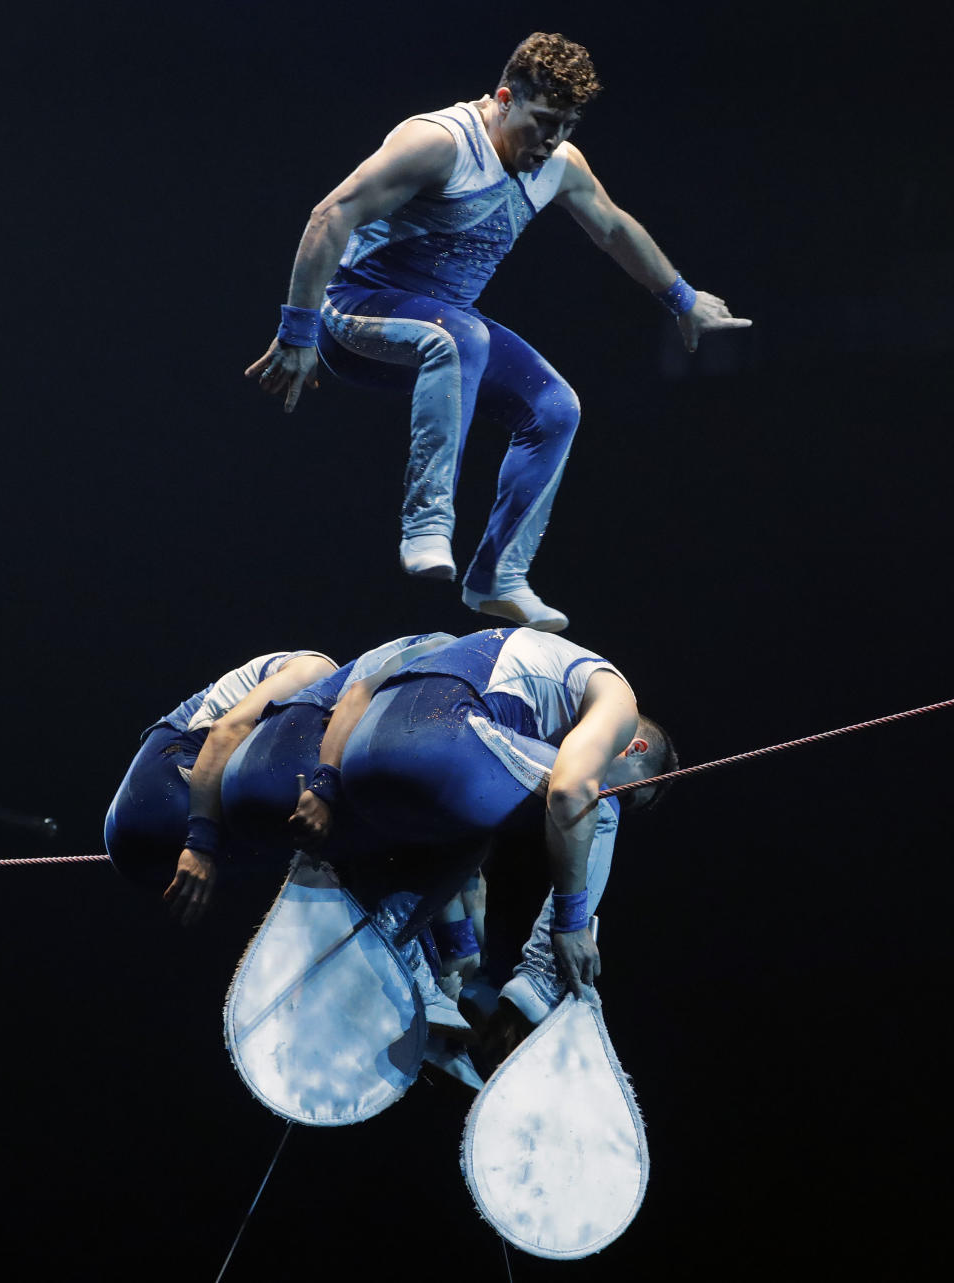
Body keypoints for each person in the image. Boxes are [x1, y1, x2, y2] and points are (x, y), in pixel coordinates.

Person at [246, 32, 751, 631]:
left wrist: (682, 298)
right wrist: (298, 331)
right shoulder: (437, 142)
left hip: (446, 339)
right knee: (461, 337)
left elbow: (613, 228)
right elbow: (330, 214)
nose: (552, 141)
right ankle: (427, 523)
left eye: (566, 125)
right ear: (505, 98)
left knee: (555, 407)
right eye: (542, 122)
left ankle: (497, 579)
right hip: (355, 316)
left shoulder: (560, 164)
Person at [289, 627, 675, 1059]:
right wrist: (570, 920)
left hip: (361, 760)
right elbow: (569, 793)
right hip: (445, 741)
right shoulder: (618, 699)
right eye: (631, 788)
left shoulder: (514, 669)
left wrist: (324, 787)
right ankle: (545, 966)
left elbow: (361, 691)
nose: (619, 788)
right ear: (633, 748)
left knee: (482, 824)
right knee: (594, 803)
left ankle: (393, 941)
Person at [104, 648, 338, 924]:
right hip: (167, 784)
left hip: (148, 839)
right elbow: (228, 730)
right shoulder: (317, 670)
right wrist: (200, 843)